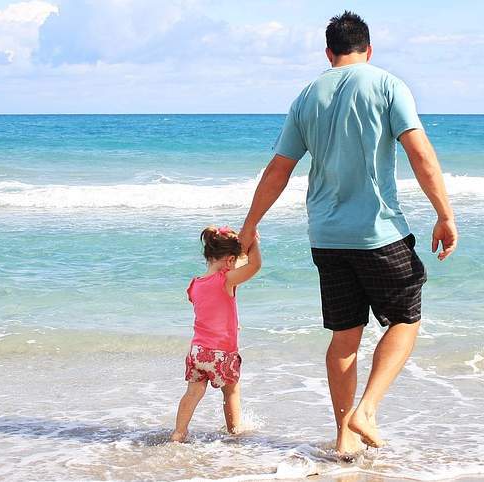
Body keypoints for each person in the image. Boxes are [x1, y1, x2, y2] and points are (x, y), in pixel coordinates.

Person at [238, 11, 457, 454]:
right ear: (368, 49)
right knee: (406, 320)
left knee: (344, 337)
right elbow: (419, 152)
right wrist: (445, 214)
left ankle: (343, 439)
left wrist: (250, 225)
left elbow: (280, 169)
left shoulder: (306, 96)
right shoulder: (387, 84)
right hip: (377, 232)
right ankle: (367, 410)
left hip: (326, 236)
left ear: (328, 52)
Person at [170, 226, 261, 443]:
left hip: (198, 352)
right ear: (230, 261)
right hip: (222, 353)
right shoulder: (226, 280)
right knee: (231, 392)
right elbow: (255, 265)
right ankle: (234, 431)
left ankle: (178, 433)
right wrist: (253, 242)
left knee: (193, 393)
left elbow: (211, 307)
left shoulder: (194, 285)